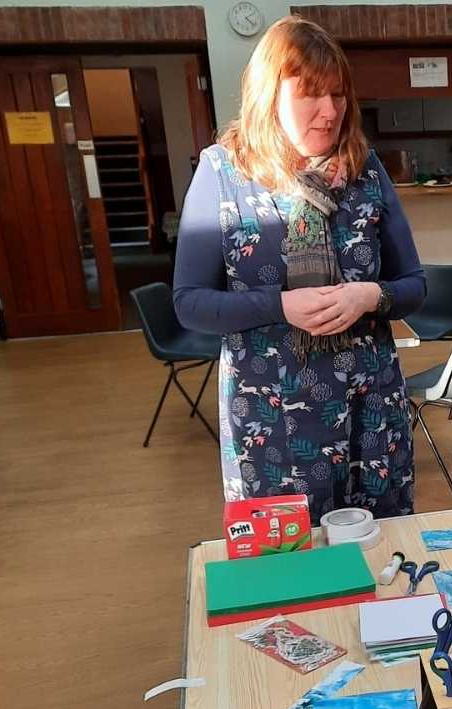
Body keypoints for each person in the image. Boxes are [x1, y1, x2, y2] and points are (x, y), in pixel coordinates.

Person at [174, 16, 424, 522]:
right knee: (291, 566)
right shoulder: (224, 173)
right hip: (273, 423)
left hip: (370, 412)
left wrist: (368, 297)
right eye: (310, 94)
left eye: (338, 95)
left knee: (381, 555)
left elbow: (415, 285)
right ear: (270, 95)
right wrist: (279, 305)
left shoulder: (364, 169)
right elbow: (189, 302)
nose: (330, 112)